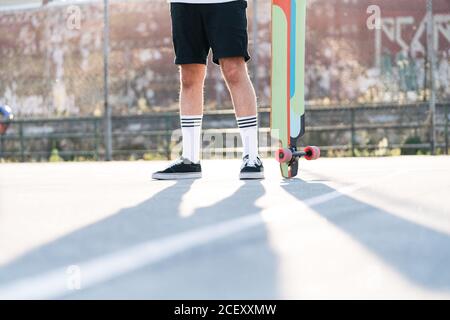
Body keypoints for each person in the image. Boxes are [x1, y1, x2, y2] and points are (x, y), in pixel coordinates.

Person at [152, 0, 264, 180]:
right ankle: (190, 160)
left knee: (234, 69)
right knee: (189, 75)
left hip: (225, 2)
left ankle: (252, 156)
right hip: (184, 3)